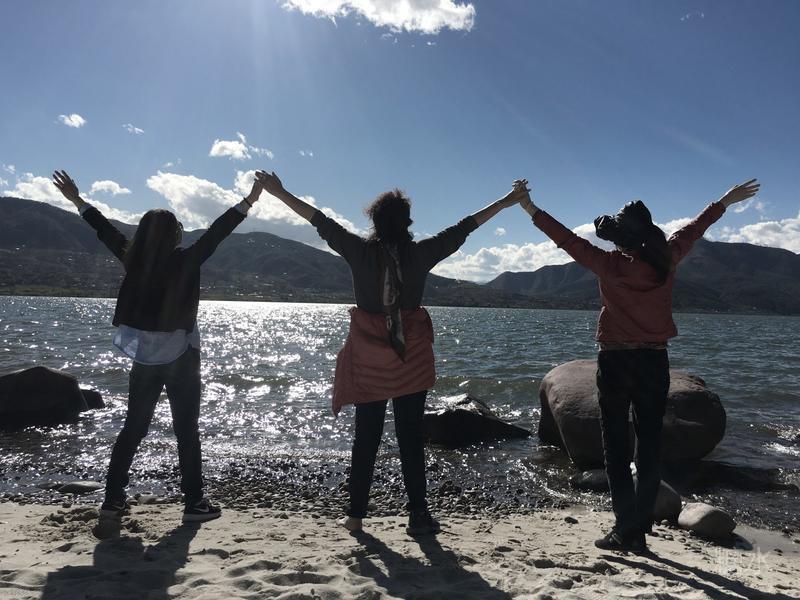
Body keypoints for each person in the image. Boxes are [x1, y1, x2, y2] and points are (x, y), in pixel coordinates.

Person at [255, 170, 528, 535]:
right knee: (410, 437)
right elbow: (465, 227)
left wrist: (279, 192)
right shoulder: (422, 254)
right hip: (410, 357)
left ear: (374, 222)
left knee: (366, 437)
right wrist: (506, 202)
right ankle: (418, 515)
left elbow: (319, 220)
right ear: (408, 223)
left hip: (369, 358)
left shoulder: (358, 251)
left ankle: (355, 516)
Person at [516, 177, 760, 553]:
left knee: (615, 447)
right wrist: (725, 201)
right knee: (648, 446)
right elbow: (694, 228)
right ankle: (641, 524)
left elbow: (566, 239)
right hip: (654, 360)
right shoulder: (667, 258)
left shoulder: (609, 264)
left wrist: (529, 208)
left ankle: (625, 530)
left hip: (616, 360)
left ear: (621, 238)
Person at [52, 169, 265, 530]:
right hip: (181, 357)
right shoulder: (187, 259)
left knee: (133, 429)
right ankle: (194, 503)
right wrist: (249, 200)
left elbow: (103, 228)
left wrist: (76, 199)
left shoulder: (132, 257)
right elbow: (218, 231)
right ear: (174, 235)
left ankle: (112, 501)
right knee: (186, 431)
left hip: (144, 358)